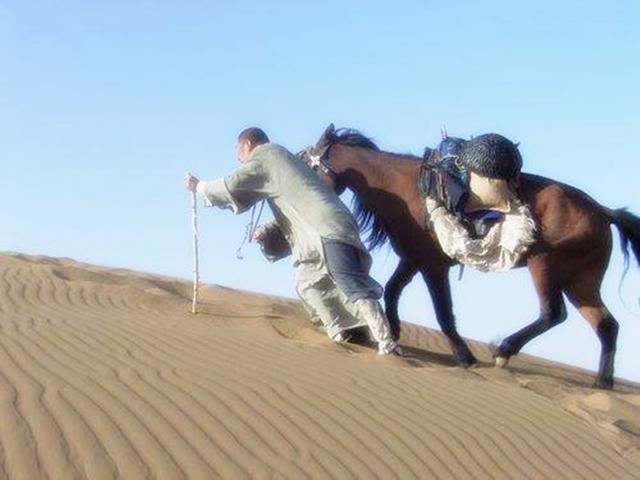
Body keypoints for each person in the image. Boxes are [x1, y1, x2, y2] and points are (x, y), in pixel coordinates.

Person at [184, 127, 400, 355]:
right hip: (320, 226)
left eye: (238, 150)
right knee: (308, 283)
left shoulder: (266, 155)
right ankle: (347, 330)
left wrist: (199, 187)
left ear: (247, 144)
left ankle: (386, 341)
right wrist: (267, 231)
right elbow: (293, 203)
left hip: (326, 225)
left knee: (347, 278)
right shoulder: (281, 161)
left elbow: (233, 184)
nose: (238, 157)